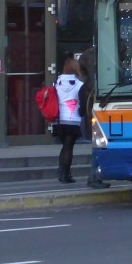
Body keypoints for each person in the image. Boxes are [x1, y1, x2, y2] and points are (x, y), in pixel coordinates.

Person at [76, 48, 108, 189]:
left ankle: (96, 175)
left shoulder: (88, 55)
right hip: (97, 98)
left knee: (98, 142)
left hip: (97, 97)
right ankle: (94, 176)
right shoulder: (105, 52)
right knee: (98, 142)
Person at [53, 56, 85, 184]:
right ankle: (65, 175)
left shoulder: (57, 83)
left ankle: (62, 172)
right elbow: (82, 104)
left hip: (59, 119)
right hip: (72, 120)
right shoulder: (79, 84)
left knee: (64, 147)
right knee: (69, 147)